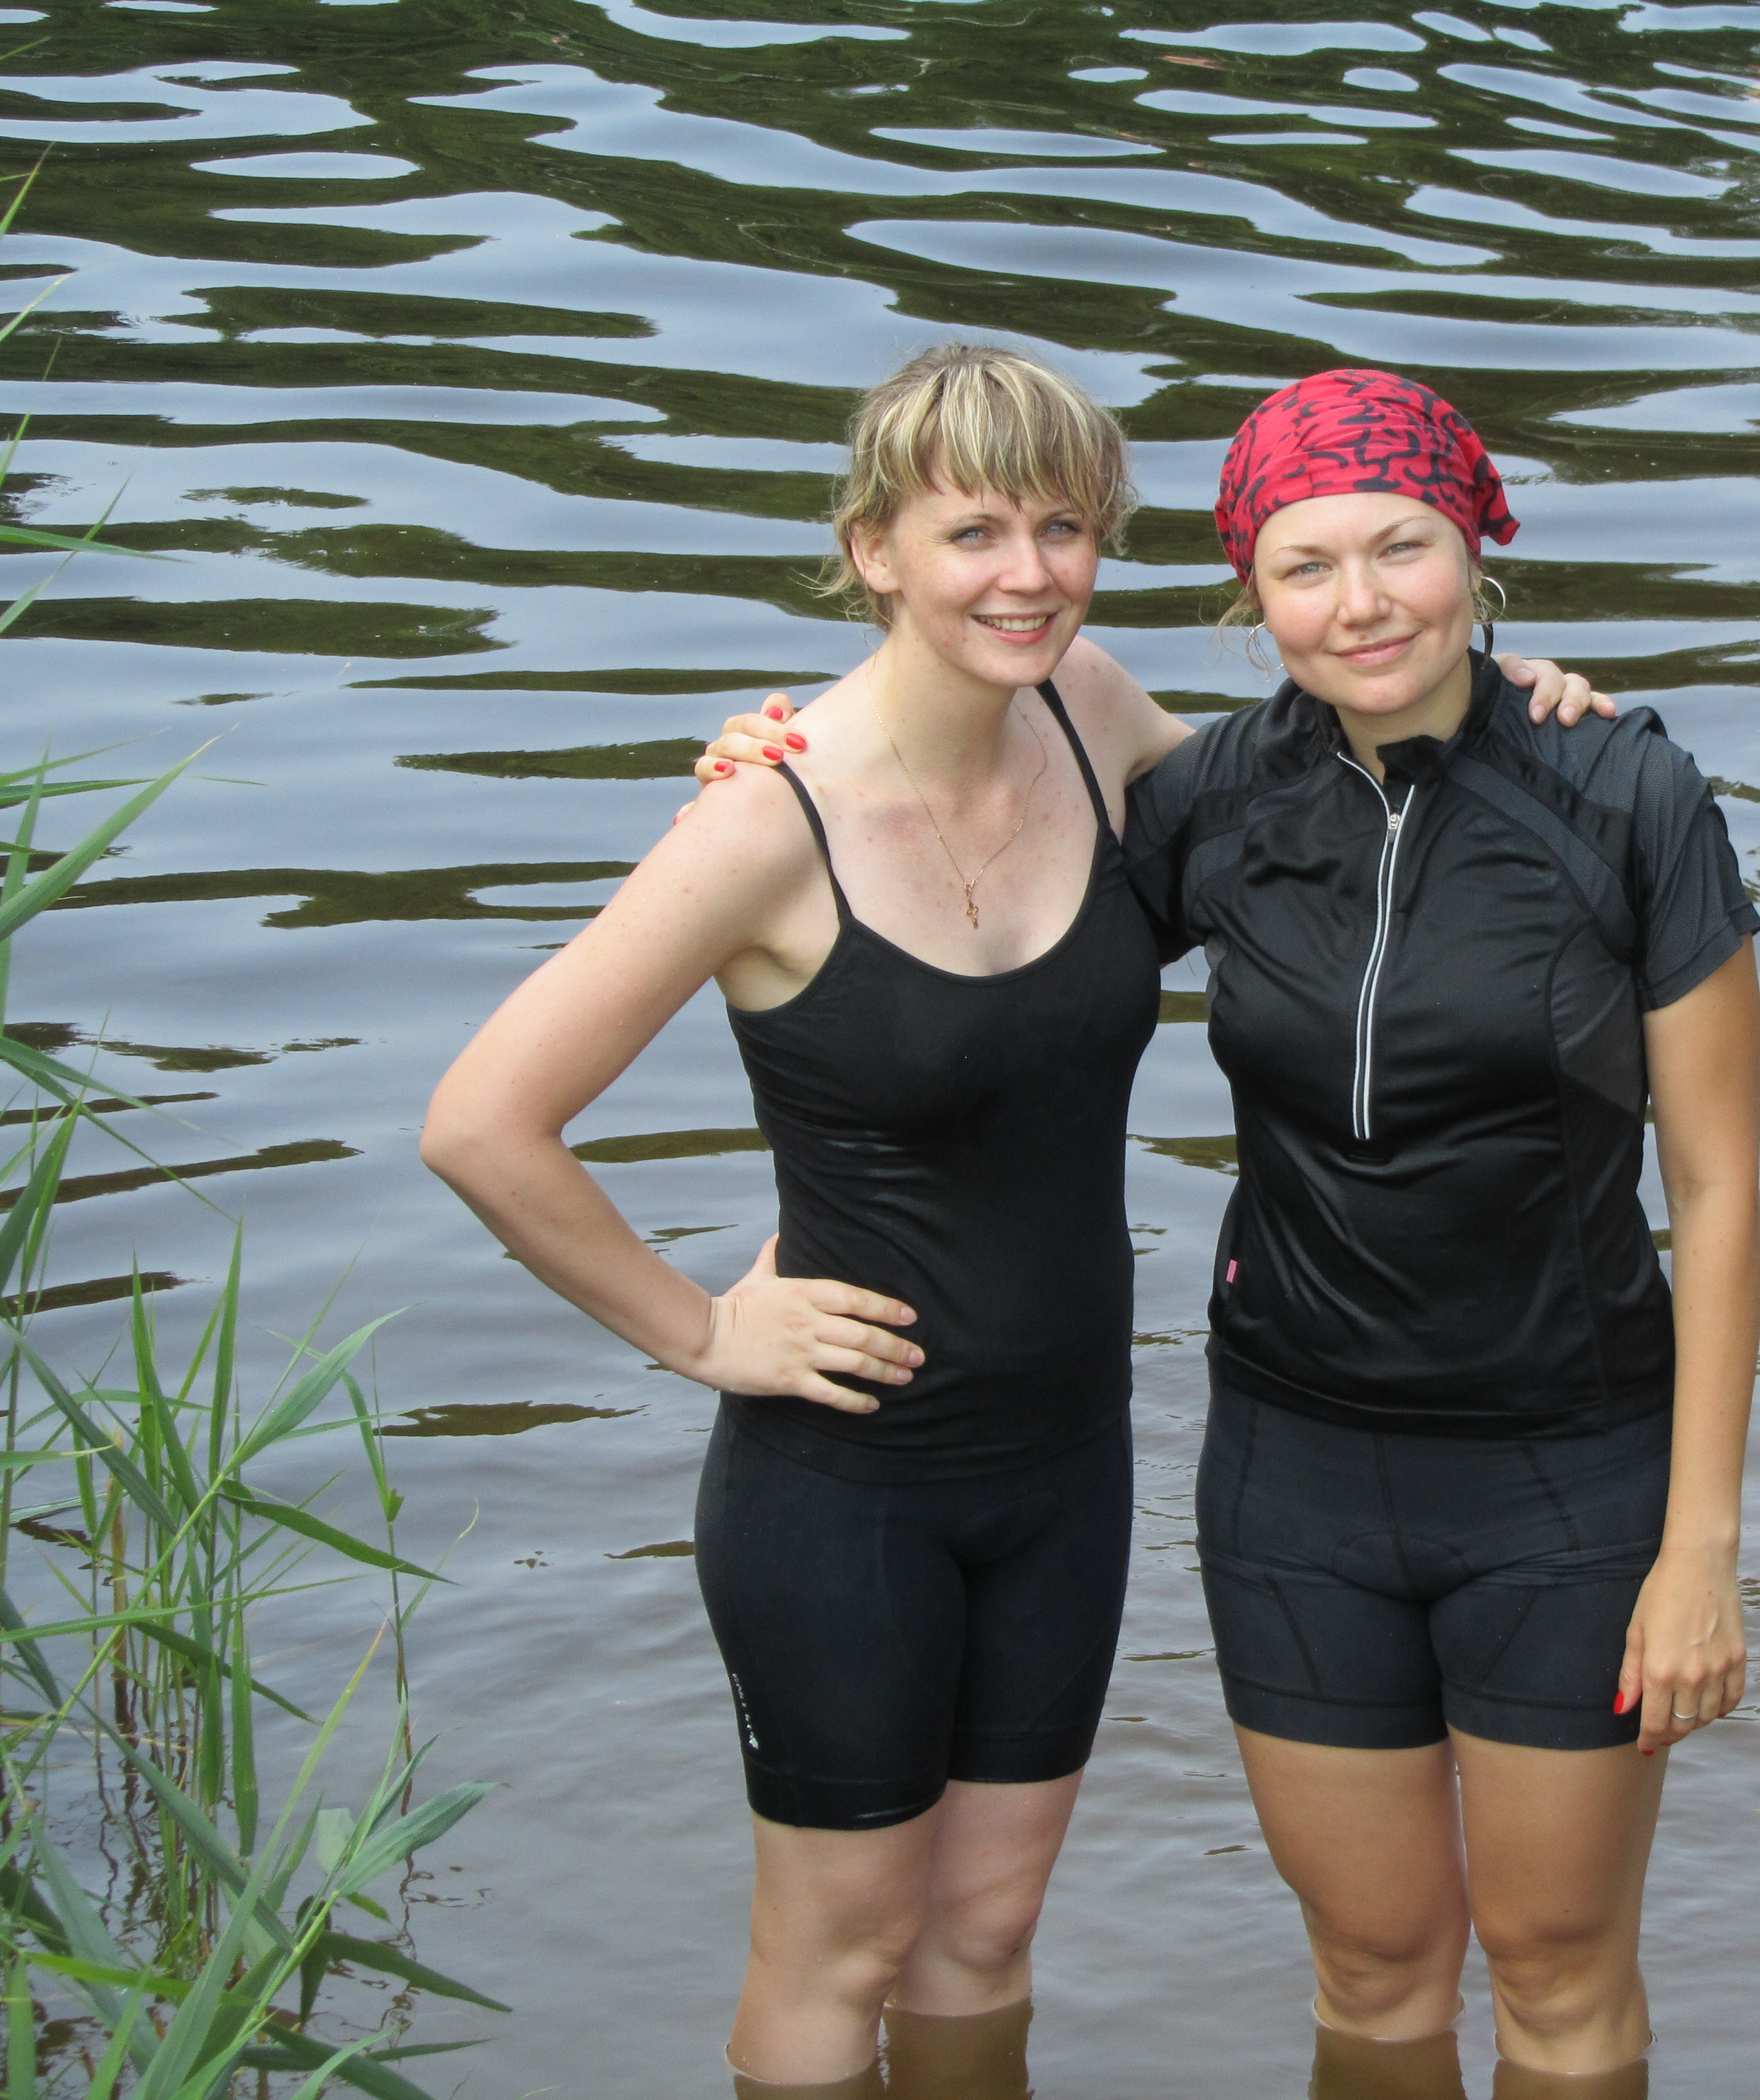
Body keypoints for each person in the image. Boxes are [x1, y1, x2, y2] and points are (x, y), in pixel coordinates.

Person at [429, 344, 1610, 2096]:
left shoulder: (1089, 712)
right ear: (874, 551)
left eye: (1065, 529)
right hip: (848, 1482)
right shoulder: (766, 820)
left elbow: (1325, 829)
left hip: (1065, 1464)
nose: (1030, 573)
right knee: (838, 1953)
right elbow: (483, 1123)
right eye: (973, 531)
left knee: (984, 1938)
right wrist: (702, 1330)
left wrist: (1499, 697)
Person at [701, 368, 1760, 2093]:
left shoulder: (1627, 798)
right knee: (1372, 1968)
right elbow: (972, 983)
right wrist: (791, 766)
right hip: (1295, 1475)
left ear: (1475, 548)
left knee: (1560, 1974)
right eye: (1305, 567)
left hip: (1566, 1473)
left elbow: (1715, 1193)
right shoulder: (1211, 803)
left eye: (1402, 548)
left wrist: (1699, 1546)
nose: (1363, 604)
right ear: (1248, 595)